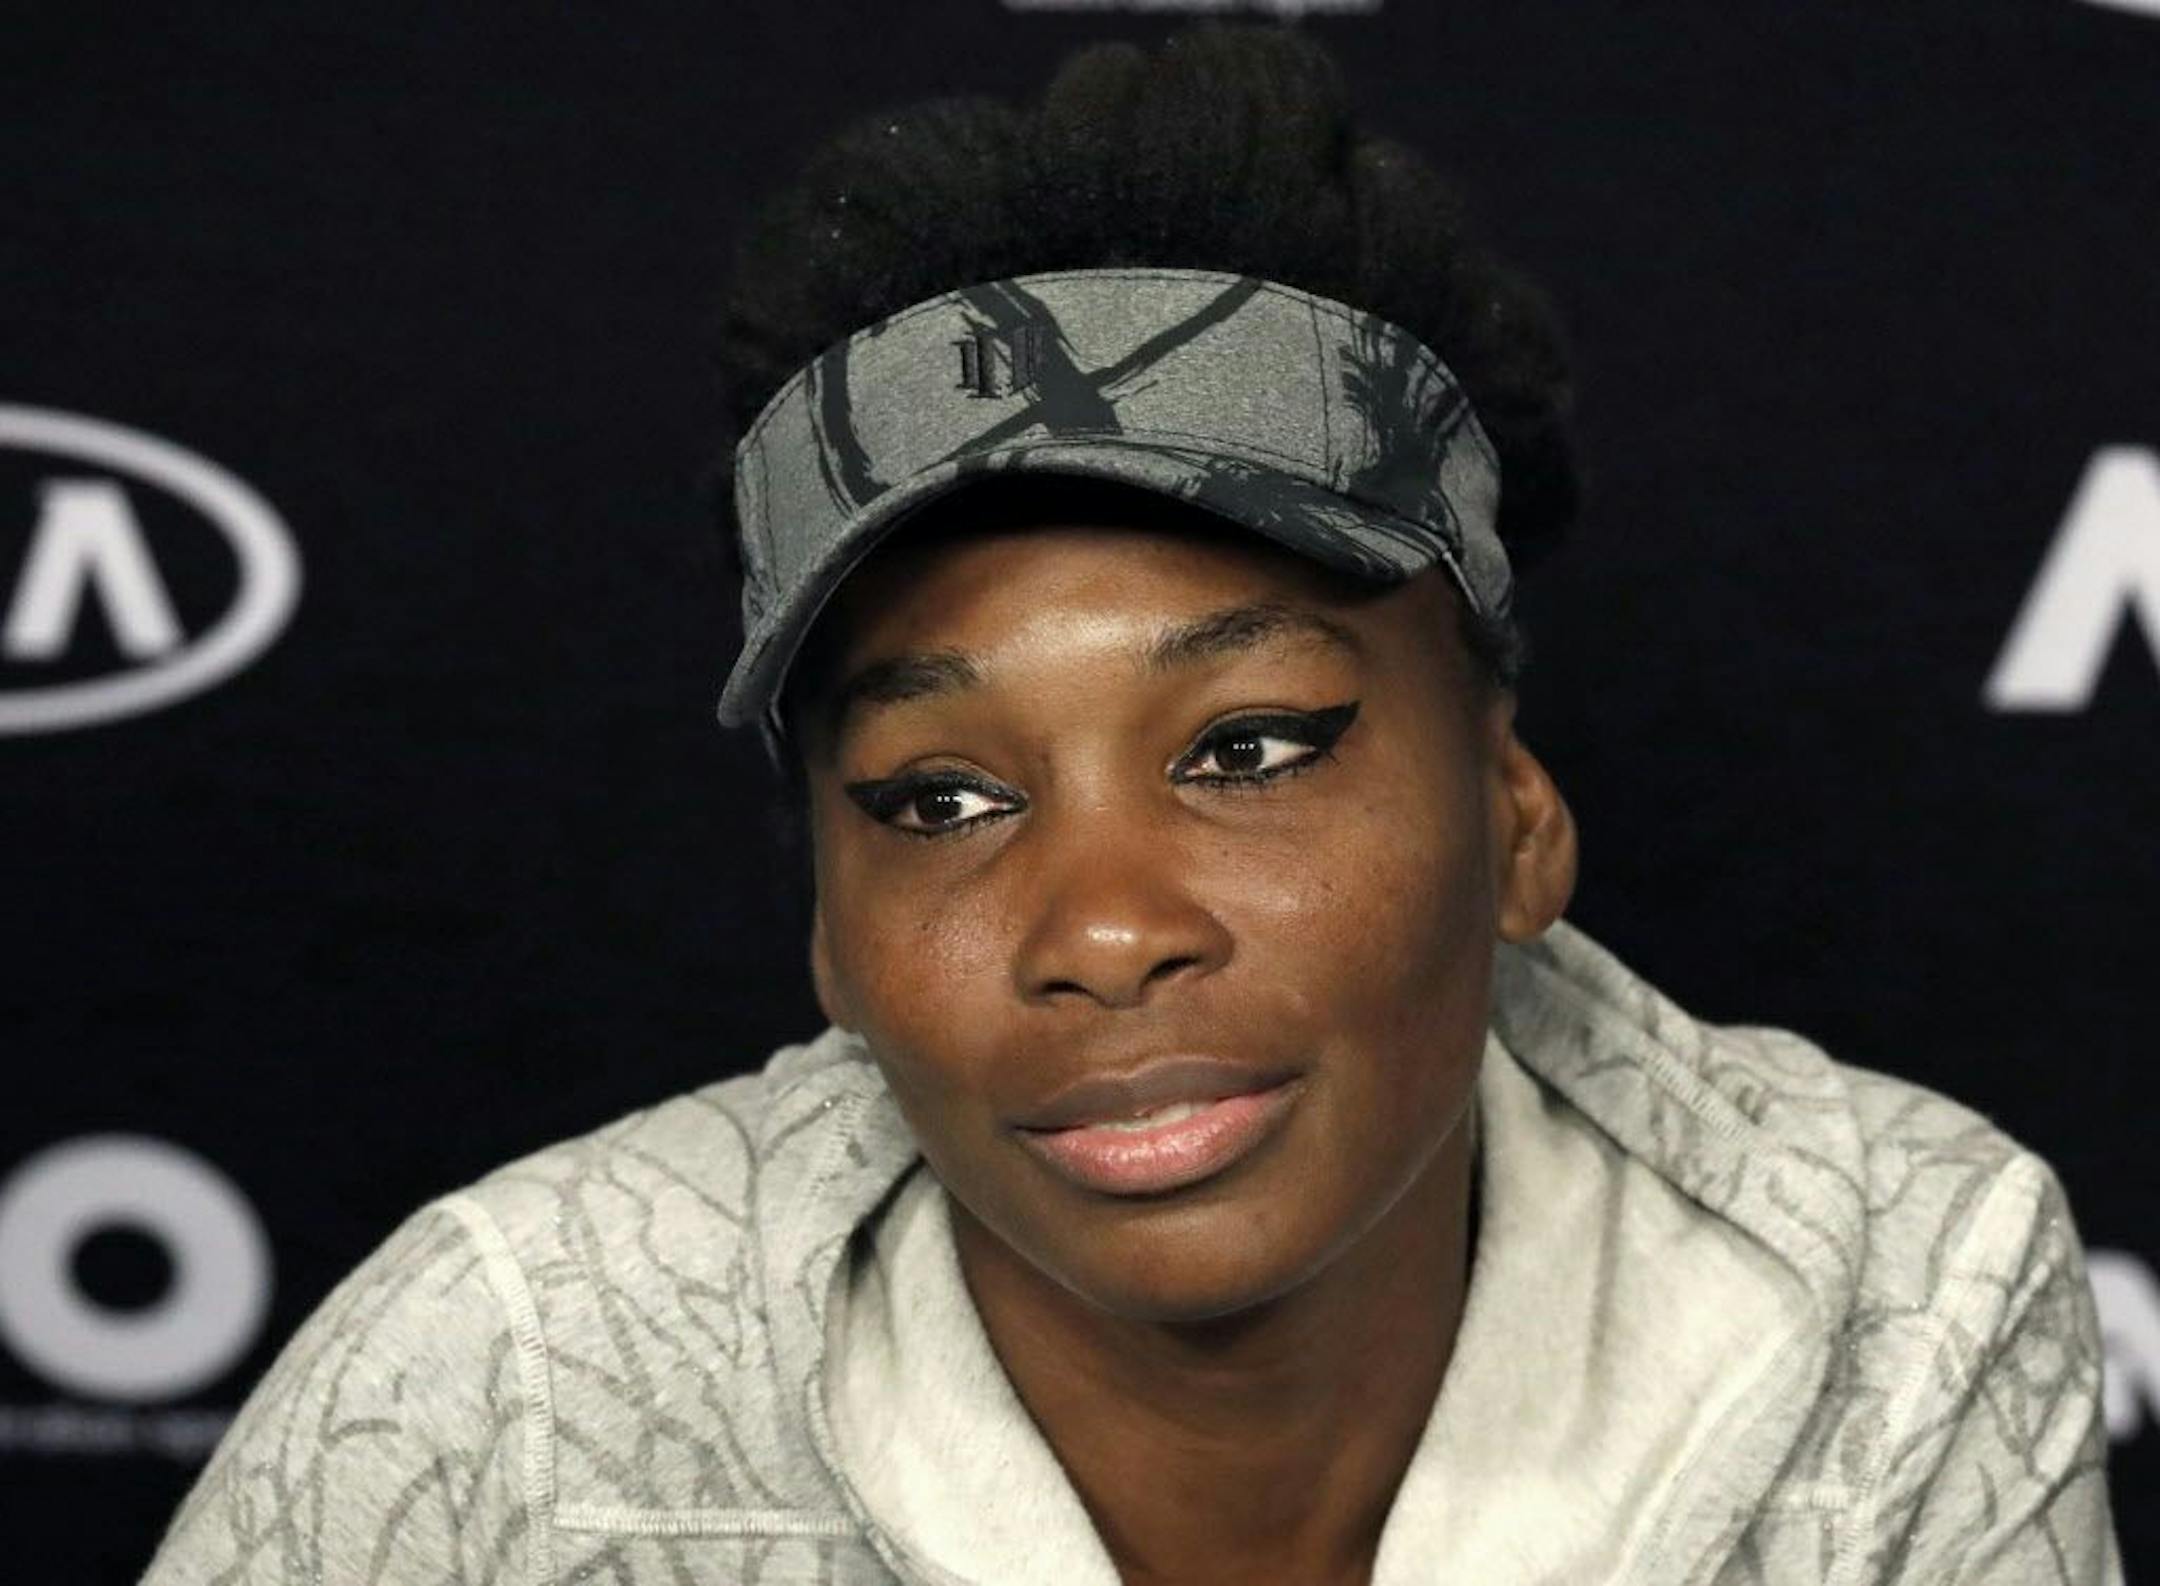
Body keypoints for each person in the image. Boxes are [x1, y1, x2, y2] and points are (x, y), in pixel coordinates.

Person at [142, 24, 2122, 1586]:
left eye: (1248, 747)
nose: (1101, 924)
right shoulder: (521, 1371)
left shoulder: (1903, 1285)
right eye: (938, 795)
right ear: (828, 933)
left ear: (1515, 813)